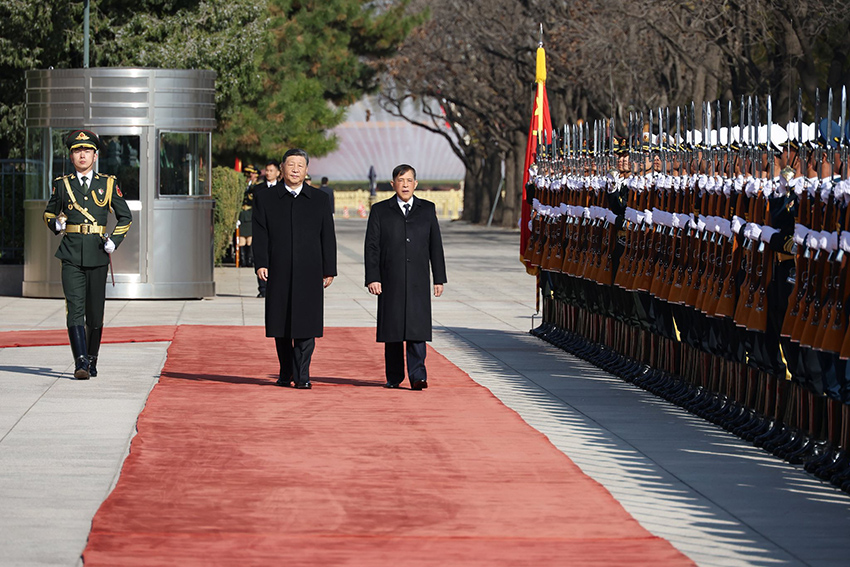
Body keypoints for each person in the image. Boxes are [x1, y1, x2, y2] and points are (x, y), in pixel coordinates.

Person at [42, 129, 133, 379]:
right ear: (71, 156)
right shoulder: (62, 185)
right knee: (74, 309)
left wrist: (114, 240)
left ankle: (92, 359)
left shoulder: (108, 184)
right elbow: (49, 213)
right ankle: (80, 361)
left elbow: (125, 216)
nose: (82, 155)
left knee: (95, 313)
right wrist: (56, 225)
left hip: (96, 254)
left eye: (86, 151)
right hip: (70, 254)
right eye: (76, 151)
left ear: (95, 156)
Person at [252, 149, 337, 389]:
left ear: (307, 170)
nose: (296, 169)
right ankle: (285, 370)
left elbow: (327, 237)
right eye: (291, 165)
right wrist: (261, 263)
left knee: (306, 325)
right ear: (282, 168)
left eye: (300, 165)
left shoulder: (319, 200)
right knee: (281, 325)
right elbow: (260, 234)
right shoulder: (266, 198)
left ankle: (303, 375)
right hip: (278, 269)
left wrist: (328, 268)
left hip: (310, 271)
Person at [364, 164, 447, 390]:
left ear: (415, 184)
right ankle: (394, 376)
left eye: (409, 180)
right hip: (390, 279)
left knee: (417, 329)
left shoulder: (427, 209)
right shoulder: (381, 210)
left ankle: (418, 375)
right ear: (393, 184)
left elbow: (435, 246)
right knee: (393, 330)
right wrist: (373, 277)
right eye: (401, 180)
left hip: (418, 279)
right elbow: (371, 247)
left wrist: (438, 277)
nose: (405, 185)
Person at [252, 161, 281, 297]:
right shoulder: (258, 189)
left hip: (278, 228)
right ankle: (262, 288)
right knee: (261, 254)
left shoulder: (282, 188)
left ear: (278, 172)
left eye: (271, 170)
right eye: (267, 170)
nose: (268, 173)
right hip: (263, 226)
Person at [237, 164, 260, 268]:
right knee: (241, 239)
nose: (249, 175)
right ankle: (242, 259)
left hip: (250, 214)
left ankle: (250, 260)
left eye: (252, 173)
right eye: (248, 173)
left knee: (250, 239)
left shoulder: (257, 186)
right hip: (242, 214)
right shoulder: (242, 185)